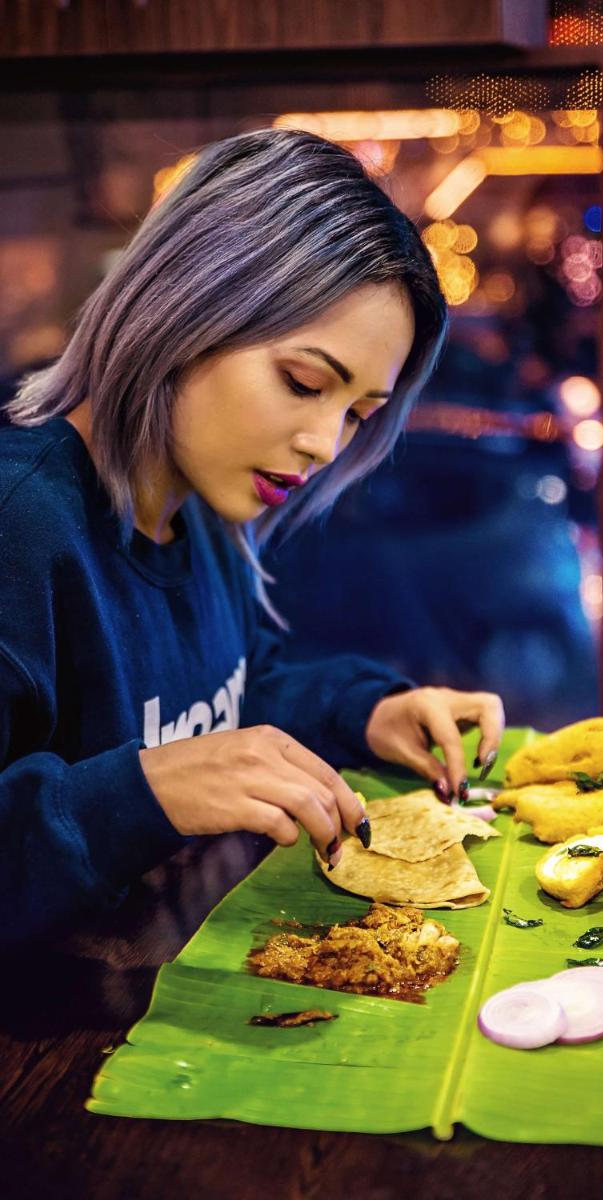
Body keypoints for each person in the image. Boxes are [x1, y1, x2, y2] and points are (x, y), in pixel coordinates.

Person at [0, 128, 505, 947]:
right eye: (303, 382)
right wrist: (138, 793)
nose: (325, 444)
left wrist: (364, 710)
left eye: (357, 414)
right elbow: (167, 761)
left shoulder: (194, 507)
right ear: (184, 306)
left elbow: (225, 697)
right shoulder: (20, 526)